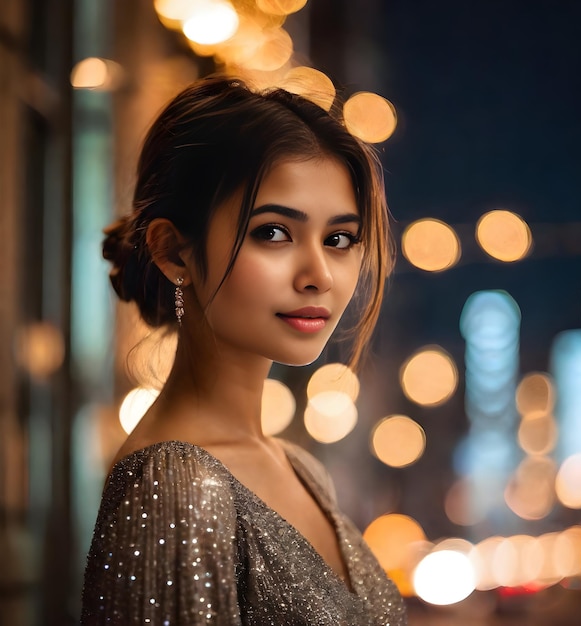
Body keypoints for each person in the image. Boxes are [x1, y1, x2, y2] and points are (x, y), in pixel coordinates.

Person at [81, 74, 407, 625]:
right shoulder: (175, 488)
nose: (319, 275)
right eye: (274, 233)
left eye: (339, 239)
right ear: (172, 251)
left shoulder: (301, 467)